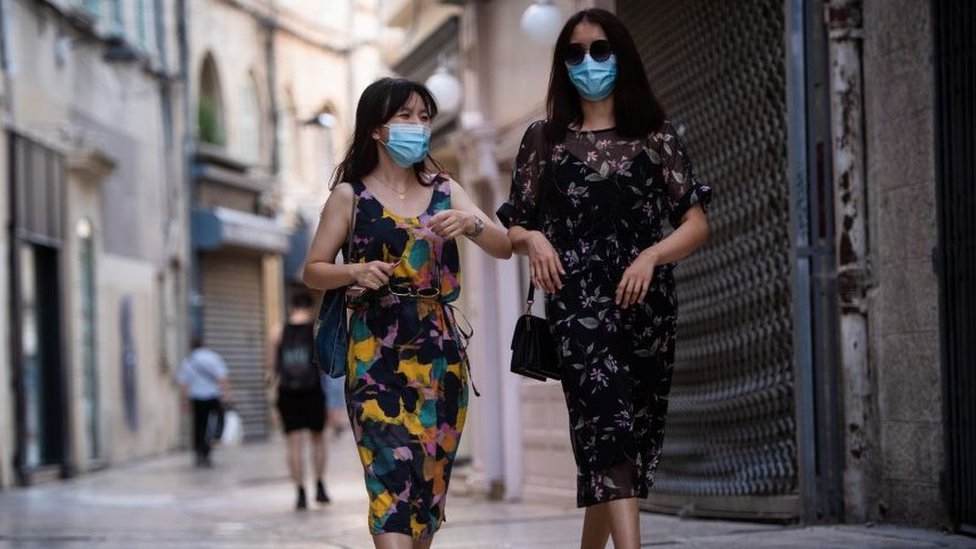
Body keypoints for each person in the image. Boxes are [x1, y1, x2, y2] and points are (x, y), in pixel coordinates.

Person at [496, 9, 711, 549]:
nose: (587, 62)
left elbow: (696, 223)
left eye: (599, 50)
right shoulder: (543, 140)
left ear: (621, 57)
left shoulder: (656, 136)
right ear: (563, 65)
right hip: (578, 307)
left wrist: (652, 256)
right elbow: (513, 224)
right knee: (608, 426)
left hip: (647, 305)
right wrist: (533, 239)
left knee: (626, 438)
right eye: (574, 53)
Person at [303, 77, 511, 549]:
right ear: (376, 129)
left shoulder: (446, 189)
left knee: (425, 498)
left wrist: (471, 223)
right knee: (389, 492)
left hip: (440, 363)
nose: (417, 125)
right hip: (375, 360)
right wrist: (353, 271)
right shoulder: (349, 196)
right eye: (405, 116)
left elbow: (503, 246)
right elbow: (313, 271)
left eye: (424, 117)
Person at [266, 292, 330, 510]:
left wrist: (273, 394)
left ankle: (300, 492)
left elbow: (271, 367)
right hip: (313, 389)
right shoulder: (315, 329)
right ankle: (320, 487)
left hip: (287, 392)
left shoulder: (277, 331)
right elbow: (324, 362)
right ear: (310, 308)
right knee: (318, 440)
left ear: (291, 307)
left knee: (294, 443)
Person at [177, 337, 231, 468]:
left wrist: (184, 401)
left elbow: (183, 384)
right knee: (216, 420)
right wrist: (228, 394)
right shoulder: (213, 357)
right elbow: (222, 378)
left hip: (197, 399)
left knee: (198, 426)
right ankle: (213, 441)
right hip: (212, 396)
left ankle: (199, 452)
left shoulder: (188, 361)